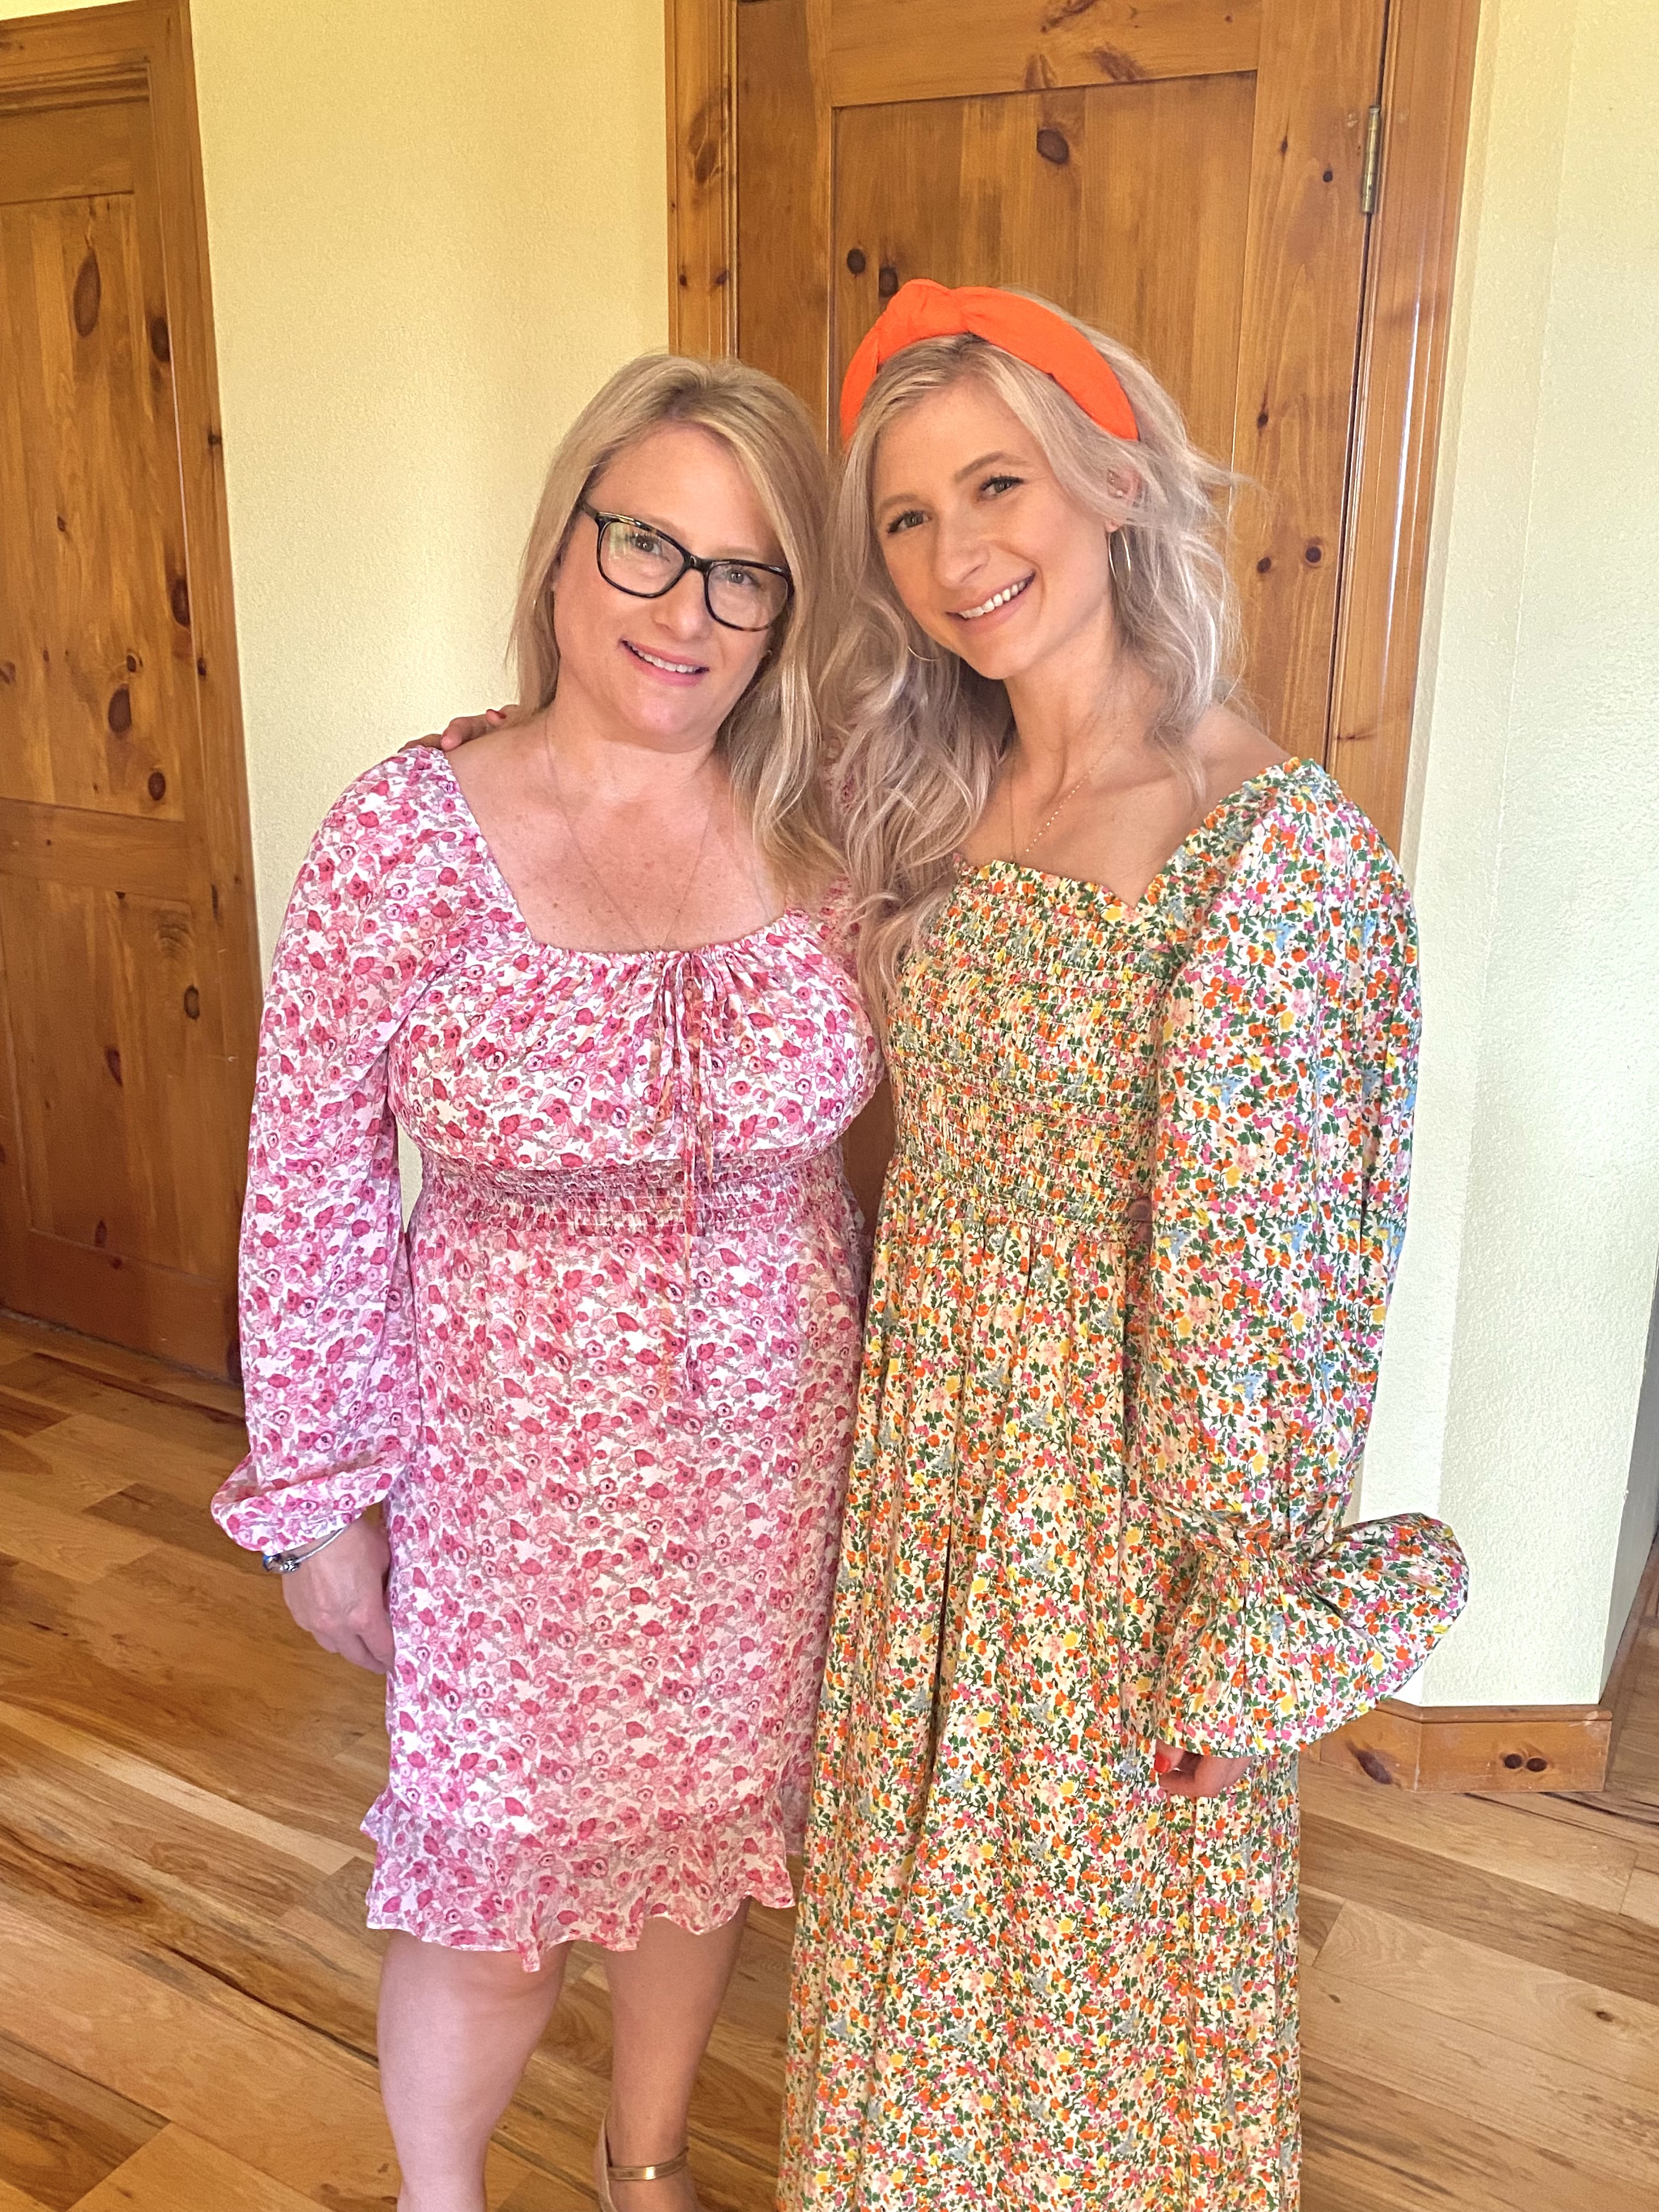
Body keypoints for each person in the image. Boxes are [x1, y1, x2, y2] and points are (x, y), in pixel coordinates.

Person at [776, 282, 1469, 2210]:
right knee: (915, 1932)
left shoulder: (1266, 854)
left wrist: (1232, 1653)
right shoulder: (927, 793)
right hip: (925, 1462)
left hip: (1111, 1509)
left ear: (1114, 483)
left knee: (1080, 1968)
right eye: (908, 517)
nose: (956, 554)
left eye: (997, 483)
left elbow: (1280, 1303)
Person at [211, 353, 879, 2212]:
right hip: (504, 1493)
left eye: (744, 575)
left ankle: (640, 2163)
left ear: (787, 612)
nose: (688, 612)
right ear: (567, 545)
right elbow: (309, 1183)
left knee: (702, 1859)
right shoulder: (405, 836)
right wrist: (319, 1501)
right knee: (489, 1911)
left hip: (768, 1479)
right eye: (648, 546)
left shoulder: (830, 830)